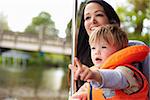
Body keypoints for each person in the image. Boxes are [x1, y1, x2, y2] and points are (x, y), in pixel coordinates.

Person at [70, 0, 149, 92]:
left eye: (99, 15)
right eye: (87, 17)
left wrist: (94, 75)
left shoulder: (126, 66)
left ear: (112, 21)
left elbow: (118, 78)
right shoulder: (81, 57)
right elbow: (82, 92)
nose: (92, 21)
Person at [69, 24, 149, 100]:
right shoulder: (94, 73)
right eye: (93, 48)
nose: (97, 52)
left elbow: (116, 78)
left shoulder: (126, 72)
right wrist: (84, 95)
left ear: (119, 51)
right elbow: (92, 91)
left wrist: (94, 75)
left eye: (103, 47)